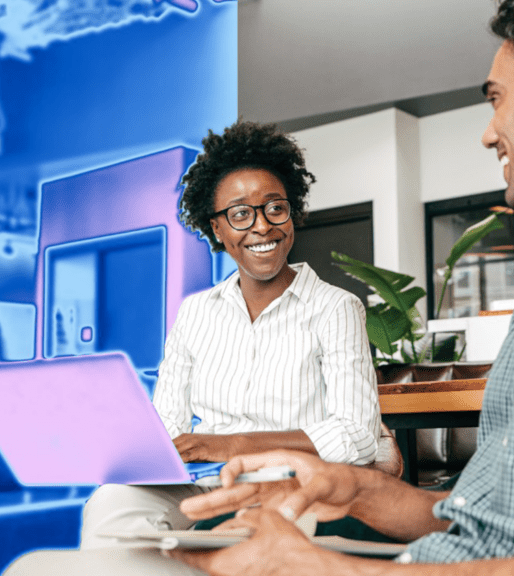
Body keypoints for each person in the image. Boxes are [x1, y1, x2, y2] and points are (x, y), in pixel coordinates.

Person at [5, 0, 514, 574]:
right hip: (428, 557)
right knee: (91, 544)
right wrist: (344, 485)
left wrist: (341, 571)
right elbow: (474, 517)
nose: (488, 130)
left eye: (495, 99)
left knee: (56, 572)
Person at [76, 120, 382, 549]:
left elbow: (356, 435)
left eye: (275, 207)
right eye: (240, 214)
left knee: (233, 535)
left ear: (292, 212)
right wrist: (138, 448)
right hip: (206, 482)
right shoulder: (197, 311)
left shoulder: (335, 307)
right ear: (216, 229)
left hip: (291, 484)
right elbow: (168, 423)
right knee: (111, 507)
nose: (261, 226)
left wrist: (232, 444)